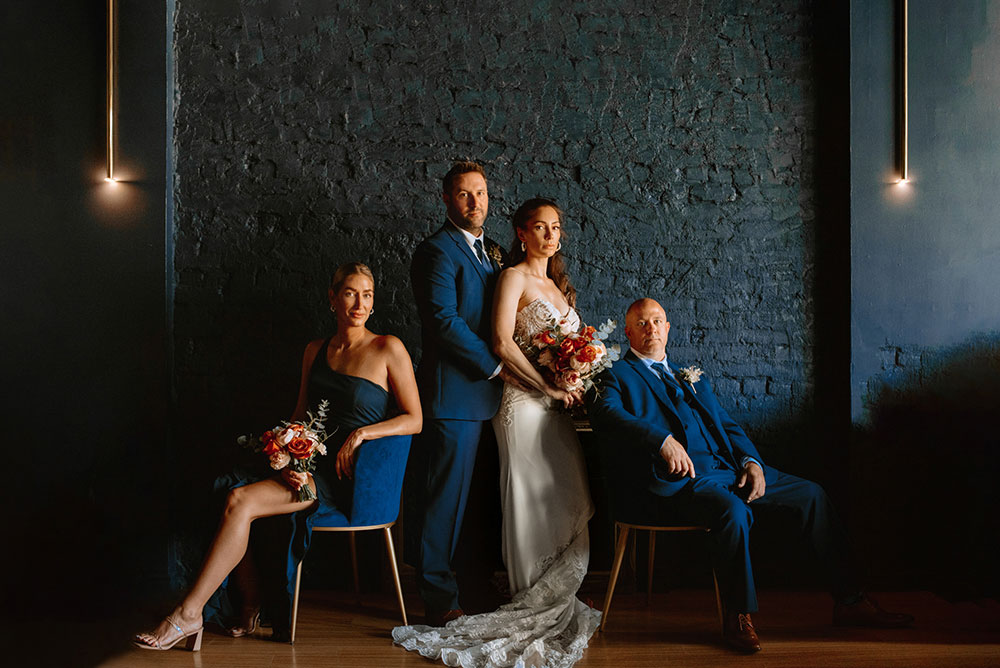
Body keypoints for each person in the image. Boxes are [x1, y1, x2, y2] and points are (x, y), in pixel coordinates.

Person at [588, 297, 913, 653]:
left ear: (668, 329)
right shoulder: (615, 374)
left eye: (657, 321)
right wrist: (661, 440)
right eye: (642, 323)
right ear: (629, 331)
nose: (651, 328)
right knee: (733, 511)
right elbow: (606, 414)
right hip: (680, 483)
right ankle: (737, 616)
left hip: (728, 470)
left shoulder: (689, 375)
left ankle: (851, 601)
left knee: (811, 494)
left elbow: (728, 425)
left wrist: (751, 462)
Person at [133, 263, 421, 650]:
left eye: (367, 294)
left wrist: (362, 434)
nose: (360, 303)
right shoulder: (315, 350)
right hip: (304, 464)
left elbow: (415, 419)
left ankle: (188, 615)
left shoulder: (388, 348)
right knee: (229, 486)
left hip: (345, 478)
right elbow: (299, 417)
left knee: (241, 499)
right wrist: (287, 459)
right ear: (332, 297)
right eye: (351, 293)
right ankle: (248, 603)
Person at [394, 198, 600, 668]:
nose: (550, 235)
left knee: (565, 493)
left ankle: (557, 588)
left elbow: (570, 346)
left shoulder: (556, 285)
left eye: (556, 227)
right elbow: (502, 342)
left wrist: (577, 375)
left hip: (555, 405)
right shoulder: (509, 275)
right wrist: (546, 383)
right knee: (527, 494)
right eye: (539, 227)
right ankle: (530, 591)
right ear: (521, 233)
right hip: (523, 403)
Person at [408, 161, 525, 625]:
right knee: (443, 502)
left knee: (475, 502)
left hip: (489, 401)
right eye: (463, 194)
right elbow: (443, 324)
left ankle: (475, 587)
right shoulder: (436, 252)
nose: (475, 202)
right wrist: (496, 365)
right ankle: (438, 599)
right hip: (454, 398)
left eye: (480, 193)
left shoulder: (491, 252)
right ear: (446, 200)